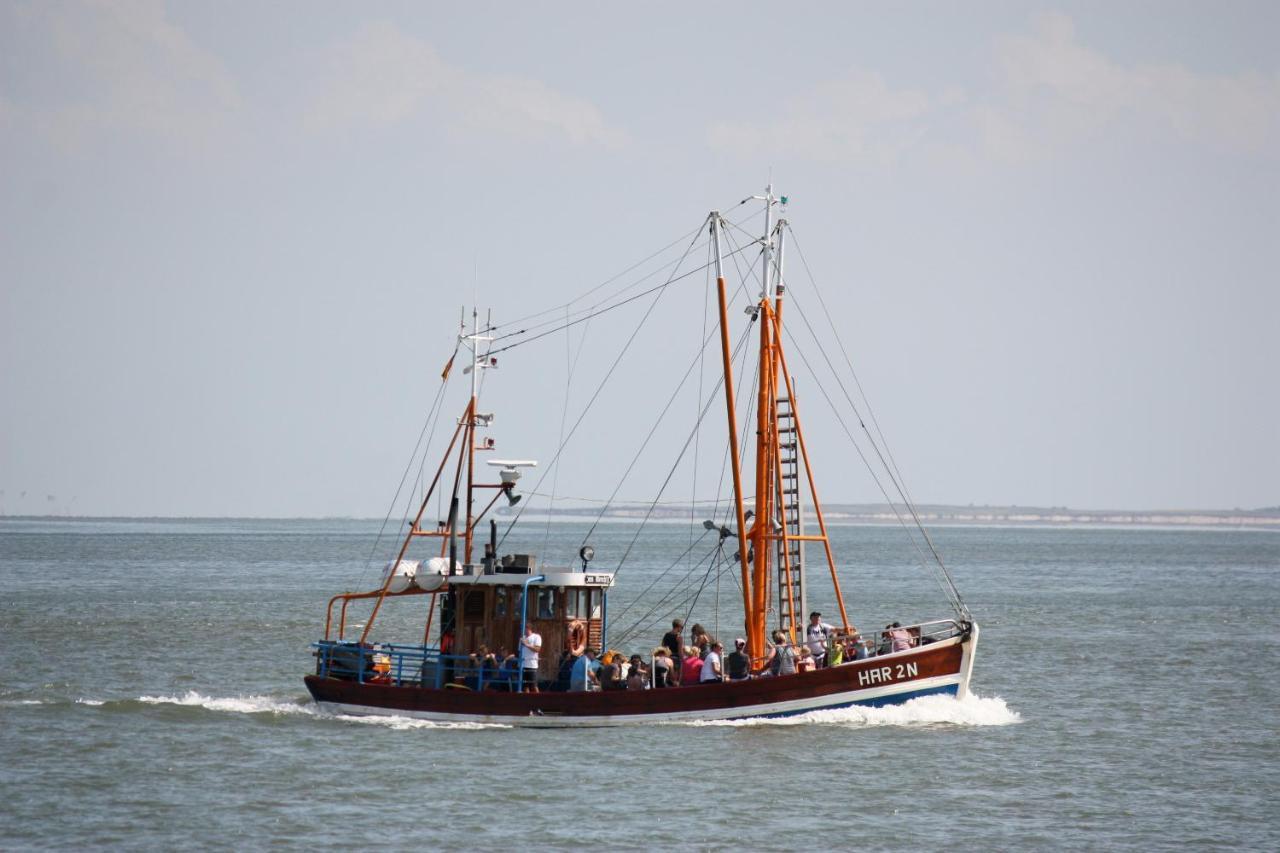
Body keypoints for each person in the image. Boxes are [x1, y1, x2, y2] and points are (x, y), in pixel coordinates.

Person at [519, 623, 542, 693]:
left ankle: (539, 703)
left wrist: (526, 644)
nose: (523, 630)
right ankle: (527, 702)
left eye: (525, 628)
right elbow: (520, 651)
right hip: (523, 665)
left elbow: (537, 649)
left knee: (534, 685)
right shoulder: (522, 638)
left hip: (532, 665)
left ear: (529, 628)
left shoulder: (536, 637)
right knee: (525, 686)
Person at [661, 619, 685, 684]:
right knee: (675, 679)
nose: (682, 629)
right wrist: (683, 660)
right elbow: (680, 651)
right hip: (675, 659)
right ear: (678, 627)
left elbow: (663, 646)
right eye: (682, 627)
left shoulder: (666, 635)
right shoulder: (679, 637)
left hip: (666, 658)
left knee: (667, 677)